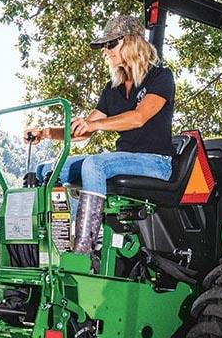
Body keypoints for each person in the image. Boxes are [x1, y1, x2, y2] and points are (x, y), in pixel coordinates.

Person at [24, 14, 175, 262]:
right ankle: (44, 249)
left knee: (94, 164)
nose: (106, 50)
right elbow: (84, 130)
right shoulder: (112, 89)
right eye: (104, 46)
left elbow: (138, 118)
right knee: (47, 170)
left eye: (111, 43)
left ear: (132, 42)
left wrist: (95, 124)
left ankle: (84, 251)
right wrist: (46, 132)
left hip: (155, 162)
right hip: (123, 159)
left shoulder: (160, 77)